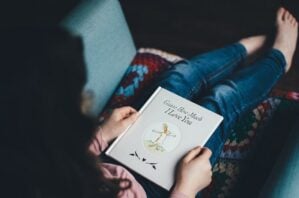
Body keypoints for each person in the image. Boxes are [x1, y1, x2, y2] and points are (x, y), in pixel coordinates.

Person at [0, 7, 297, 198]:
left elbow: (61, 153)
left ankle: (241, 51)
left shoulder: (33, 162)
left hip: (114, 158)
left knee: (178, 76)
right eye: (80, 98)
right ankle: (278, 60)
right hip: (159, 188)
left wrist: (102, 134)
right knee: (220, 100)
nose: (88, 100)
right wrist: (186, 188)